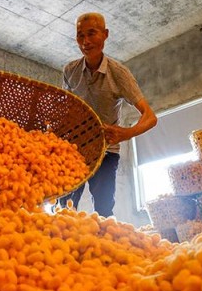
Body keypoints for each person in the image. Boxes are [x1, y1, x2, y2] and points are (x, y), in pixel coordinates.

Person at [59, 12, 157, 217]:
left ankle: (103, 245)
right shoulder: (70, 71)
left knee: (104, 210)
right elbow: (66, 109)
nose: (85, 41)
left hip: (106, 151)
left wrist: (126, 133)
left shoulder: (118, 73)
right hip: (75, 150)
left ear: (105, 34)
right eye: (80, 35)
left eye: (92, 34)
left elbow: (150, 116)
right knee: (63, 207)